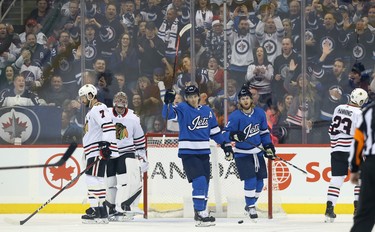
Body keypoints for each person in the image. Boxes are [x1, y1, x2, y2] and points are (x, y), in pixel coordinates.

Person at [162, 85, 233, 227]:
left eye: (195, 96)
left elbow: (215, 132)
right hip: (188, 152)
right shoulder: (182, 108)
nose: (193, 99)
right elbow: (167, 115)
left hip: (203, 152)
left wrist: (225, 145)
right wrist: (167, 102)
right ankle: (200, 211)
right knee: (199, 180)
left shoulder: (207, 111)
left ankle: (202, 213)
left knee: (205, 183)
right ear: (186, 98)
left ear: (199, 96)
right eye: (189, 97)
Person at [222, 86, 276, 221]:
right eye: (242, 99)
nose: (245, 101)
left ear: (251, 100)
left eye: (247, 98)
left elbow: (264, 132)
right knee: (250, 180)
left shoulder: (259, 113)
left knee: (260, 184)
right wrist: (234, 135)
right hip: (242, 154)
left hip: (257, 153)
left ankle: (250, 204)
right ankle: (250, 206)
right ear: (239, 101)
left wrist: (268, 146)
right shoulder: (235, 116)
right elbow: (225, 134)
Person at [324, 88, 369, 223]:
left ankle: (329, 209)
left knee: (337, 179)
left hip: (337, 149)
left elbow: (332, 130)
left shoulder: (338, 108)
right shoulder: (360, 113)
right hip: (352, 150)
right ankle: (357, 209)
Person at [78, 84, 119, 224]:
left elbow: (107, 126)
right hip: (94, 150)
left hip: (97, 151)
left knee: (92, 179)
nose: (81, 100)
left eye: (83, 97)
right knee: (97, 180)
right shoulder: (92, 111)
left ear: (90, 95)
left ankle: (98, 210)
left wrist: (105, 146)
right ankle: (99, 211)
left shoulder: (98, 108)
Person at [105, 91, 148, 221]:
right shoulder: (106, 114)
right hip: (110, 152)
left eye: (122, 106)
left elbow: (139, 139)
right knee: (110, 182)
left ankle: (122, 208)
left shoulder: (133, 117)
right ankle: (110, 208)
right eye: (118, 106)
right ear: (114, 104)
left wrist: (142, 156)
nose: (120, 109)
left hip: (126, 151)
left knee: (125, 181)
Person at [349, 96, 375, 232]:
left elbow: (358, 141)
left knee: (365, 214)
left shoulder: (368, 111)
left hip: (372, 163)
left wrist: (354, 168)